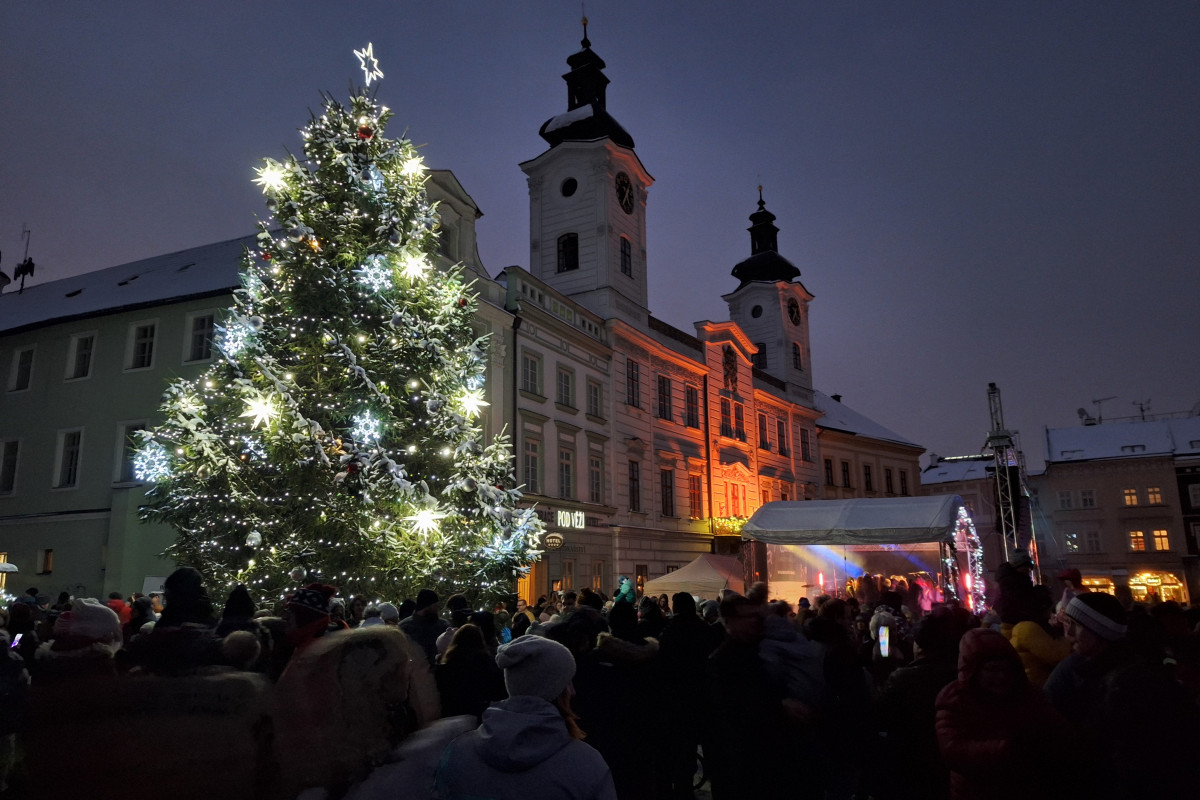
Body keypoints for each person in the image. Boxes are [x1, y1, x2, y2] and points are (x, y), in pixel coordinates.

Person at [427, 635, 617, 799]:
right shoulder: (585, 764)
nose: (573, 691)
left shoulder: (457, 753)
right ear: (554, 690)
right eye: (567, 682)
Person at [935, 628, 1067, 800]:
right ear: (972, 670)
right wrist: (1008, 748)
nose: (1002, 676)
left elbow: (1058, 730)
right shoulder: (954, 699)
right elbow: (953, 749)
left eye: (1006, 669)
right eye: (992, 670)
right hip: (976, 791)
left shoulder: (1027, 694)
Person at [399, 588, 449, 665]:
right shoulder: (405, 627)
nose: (437, 609)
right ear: (428, 606)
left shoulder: (443, 626)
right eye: (435, 605)